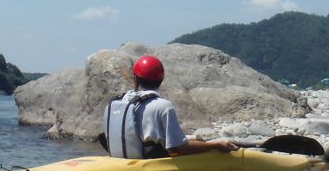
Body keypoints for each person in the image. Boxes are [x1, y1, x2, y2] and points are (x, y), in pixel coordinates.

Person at [101, 55, 237, 159]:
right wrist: (216, 145)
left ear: (135, 78)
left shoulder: (113, 105)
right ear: (161, 80)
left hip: (118, 161)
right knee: (202, 148)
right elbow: (179, 148)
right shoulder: (162, 106)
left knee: (190, 140)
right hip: (147, 163)